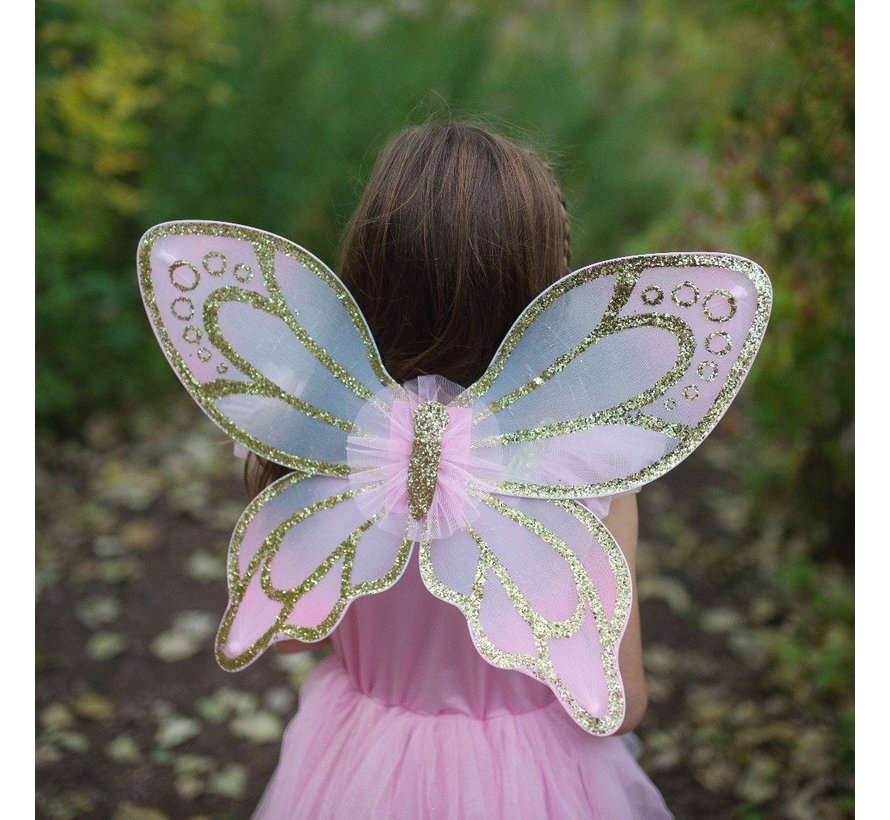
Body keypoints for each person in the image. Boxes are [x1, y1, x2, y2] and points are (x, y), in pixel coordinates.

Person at [245, 122, 673, 818]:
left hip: (359, 769)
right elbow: (618, 702)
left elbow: (298, 635)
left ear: (368, 267)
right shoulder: (585, 468)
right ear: (541, 283)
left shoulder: (319, 438)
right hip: (532, 782)